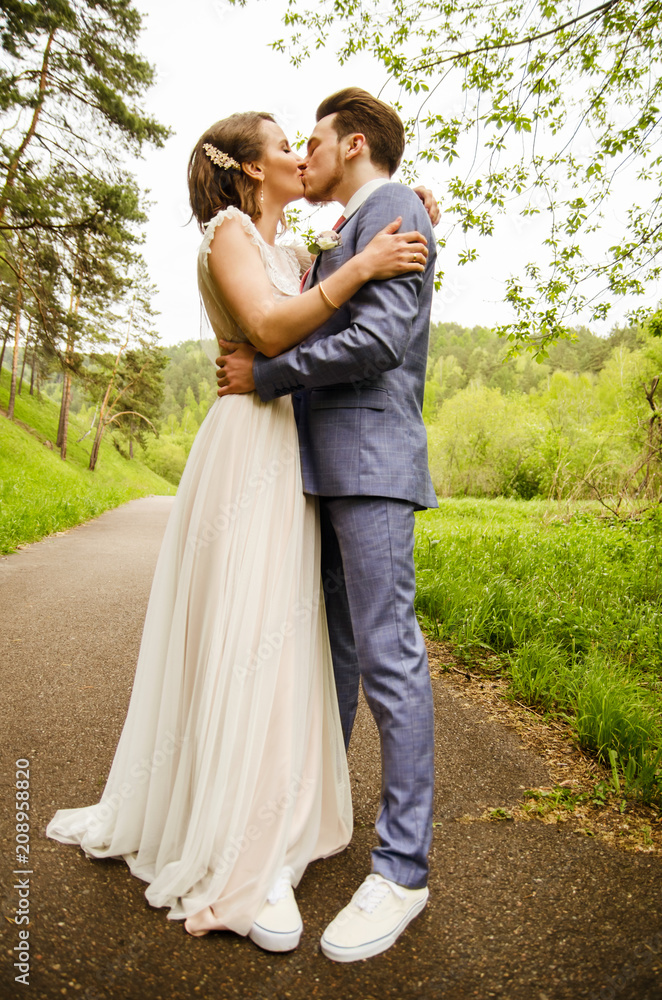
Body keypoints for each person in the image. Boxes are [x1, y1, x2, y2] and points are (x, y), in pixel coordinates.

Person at [45, 106, 433, 954]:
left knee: (295, 641)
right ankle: (236, 834)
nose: (300, 154)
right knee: (250, 632)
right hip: (252, 446)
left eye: (311, 141)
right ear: (251, 170)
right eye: (285, 144)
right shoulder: (229, 232)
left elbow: (354, 304)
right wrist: (363, 258)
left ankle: (299, 819)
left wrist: (388, 233)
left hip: (299, 448)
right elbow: (265, 327)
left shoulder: (304, 248)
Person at [216, 87, 439, 963]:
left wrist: (271, 378)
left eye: (313, 140)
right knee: (338, 658)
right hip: (330, 470)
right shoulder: (357, 225)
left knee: (388, 654)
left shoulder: (388, 204)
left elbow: (381, 338)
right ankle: (318, 819)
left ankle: (402, 870)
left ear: (352, 145)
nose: (304, 153)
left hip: (372, 464)